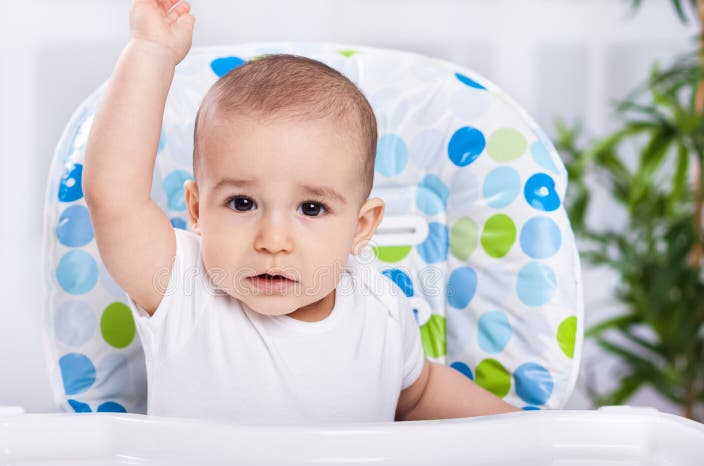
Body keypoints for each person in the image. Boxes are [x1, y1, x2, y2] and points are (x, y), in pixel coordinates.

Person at [83, 0, 520, 424]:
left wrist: (533, 434)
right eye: (242, 203)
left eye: (311, 208)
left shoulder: (381, 310)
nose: (273, 240)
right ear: (197, 210)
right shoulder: (181, 287)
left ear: (361, 227)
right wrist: (151, 51)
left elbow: (419, 393)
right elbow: (114, 197)